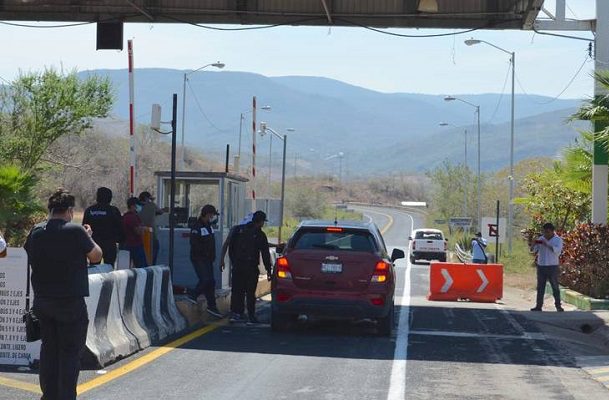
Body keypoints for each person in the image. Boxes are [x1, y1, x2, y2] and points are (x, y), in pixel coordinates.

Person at [24, 189, 103, 400]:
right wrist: (88, 237)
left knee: (49, 350)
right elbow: (96, 256)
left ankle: (49, 395)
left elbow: (29, 252)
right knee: (69, 353)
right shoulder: (76, 232)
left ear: (50, 210)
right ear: (69, 211)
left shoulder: (36, 232)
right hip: (70, 303)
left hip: (43, 302)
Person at [221, 210, 272, 325]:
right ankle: (251, 315)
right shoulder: (260, 234)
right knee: (250, 292)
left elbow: (228, 244)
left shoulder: (237, 229)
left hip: (238, 266)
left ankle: (236, 313)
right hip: (251, 268)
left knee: (237, 291)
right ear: (261, 222)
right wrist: (269, 270)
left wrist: (224, 260)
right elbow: (265, 254)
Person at [188, 205, 223, 318]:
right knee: (205, 279)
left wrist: (211, 256)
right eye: (212, 214)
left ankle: (212, 306)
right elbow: (194, 243)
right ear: (207, 214)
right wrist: (203, 253)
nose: (212, 217)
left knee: (211, 282)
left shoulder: (208, 226)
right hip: (199, 258)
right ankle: (193, 294)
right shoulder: (196, 227)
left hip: (208, 259)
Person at [82, 187, 123, 266]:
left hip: (94, 244)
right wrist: (120, 239)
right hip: (109, 244)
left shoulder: (90, 210)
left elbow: (84, 227)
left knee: (94, 268)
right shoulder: (113, 210)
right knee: (109, 268)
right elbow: (120, 228)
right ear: (110, 198)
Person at [529, 222, 564, 312]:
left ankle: (558, 305)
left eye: (548, 232)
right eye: (544, 232)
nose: (546, 234)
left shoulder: (557, 240)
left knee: (555, 286)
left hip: (552, 266)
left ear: (552, 231)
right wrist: (533, 243)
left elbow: (556, 251)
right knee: (540, 286)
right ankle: (538, 305)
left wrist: (546, 244)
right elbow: (533, 250)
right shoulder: (541, 238)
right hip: (541, 265)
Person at [137, 191, 164, 265]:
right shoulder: (152, 205)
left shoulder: (137, 207)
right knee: (152, 258)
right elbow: (161, 211)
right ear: (146, 198)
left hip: (139, 236)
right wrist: (152, 201)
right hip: (152, 235)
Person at [123, 197, 148, 268]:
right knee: (141, 268)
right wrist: (143, 228)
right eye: (138, 205)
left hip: (130, 244)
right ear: (133, 206)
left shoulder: (127, 216)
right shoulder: (131, 217)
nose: (140, 207)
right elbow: (138, 231)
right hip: (135, 245)